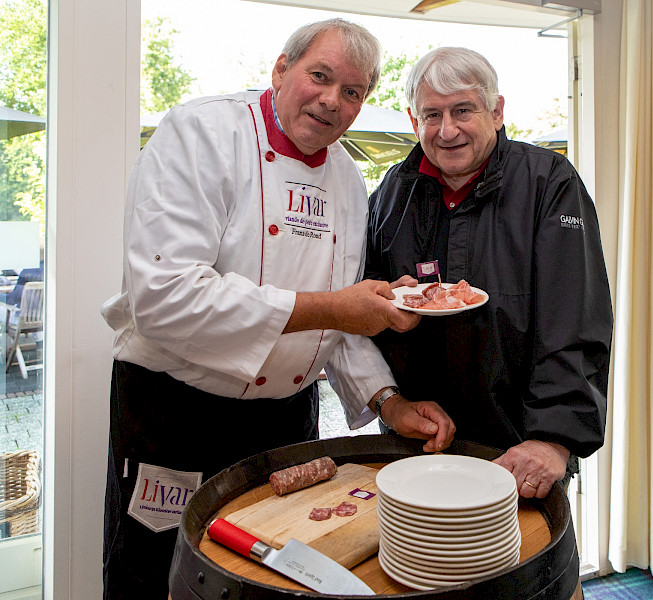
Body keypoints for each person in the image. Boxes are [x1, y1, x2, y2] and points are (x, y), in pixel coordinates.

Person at [100, 19, 455, 599]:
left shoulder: (346, 174)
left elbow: (340, 322)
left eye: (352, 92)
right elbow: (163, 297)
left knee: (279, 577)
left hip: (285, 418)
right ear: (281, 69)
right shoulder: (203, 132)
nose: (331, 101)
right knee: (157, 575)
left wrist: (388, 400)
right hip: (176, 414)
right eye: (320, 76)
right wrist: (334, 307)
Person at [365, 47, 613, 502]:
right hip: (414, 443)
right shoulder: (391, 195)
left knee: (523, 570)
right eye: (431, 114)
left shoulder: (548, 182)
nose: (447, 130)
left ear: (496, 112)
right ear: (412, 120)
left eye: (463, 110)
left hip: (520, 446)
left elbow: (574, 317)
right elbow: (363, 314)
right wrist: (384, 306)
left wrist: (553, 438)